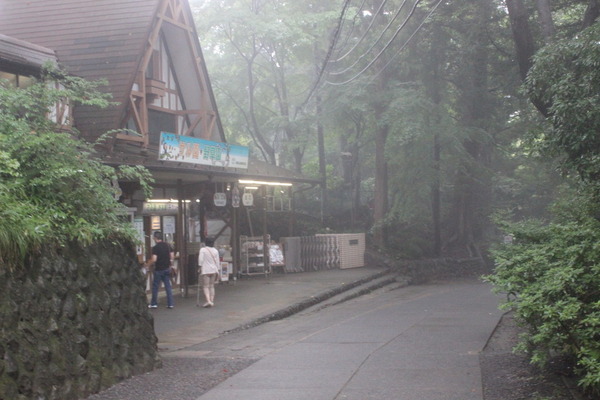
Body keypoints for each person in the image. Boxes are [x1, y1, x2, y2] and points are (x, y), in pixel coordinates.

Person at [147, 231, 175, 309]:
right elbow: (172, 256)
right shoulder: (168, 245)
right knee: (168, 286)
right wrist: (171, 264)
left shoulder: (156, 248)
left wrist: (148, 264)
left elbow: (154, 259)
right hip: (167, 268)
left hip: (159, 269)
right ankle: (170, 303)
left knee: (155, 286)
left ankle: (154, 303)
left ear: (155, 238)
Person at [198, 237, 220, 308]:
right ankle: (212, 300)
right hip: (214, 270)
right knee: (212, 286)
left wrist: (200, 267)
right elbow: (217, 262)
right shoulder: (216, 251)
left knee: (206, 286)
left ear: (205, 242)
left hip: (206, 270)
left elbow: (201, 260)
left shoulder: (203, 250)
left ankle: (208, 301)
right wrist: (218, 270)